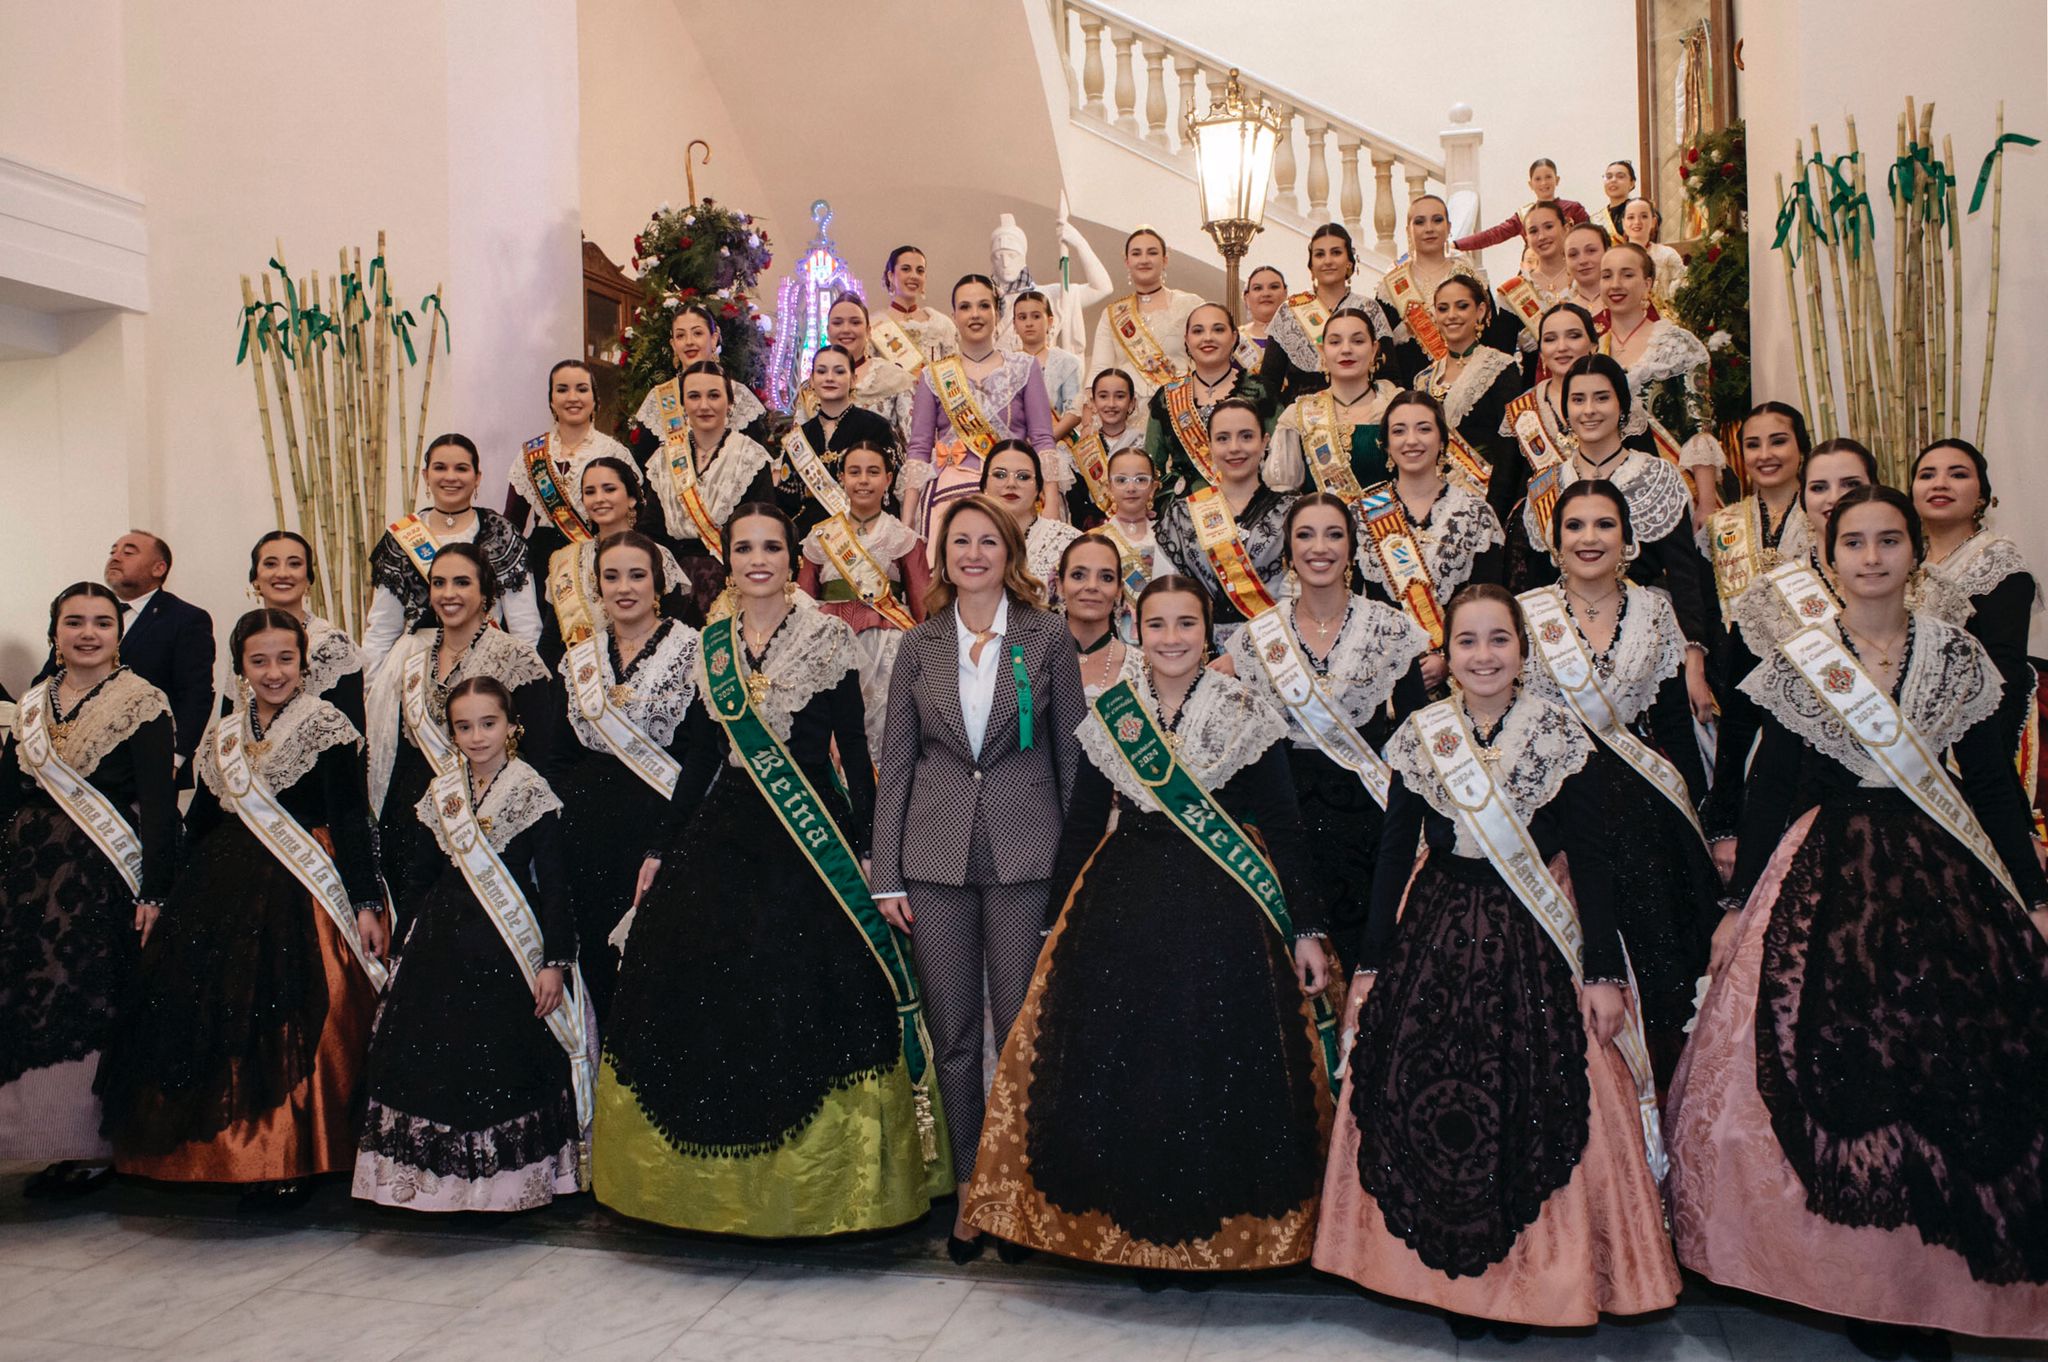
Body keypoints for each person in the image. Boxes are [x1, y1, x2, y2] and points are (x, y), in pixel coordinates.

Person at [1668, 486, 2048, 1351]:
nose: (1871, 557)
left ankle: (1941, 1273)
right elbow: (1771, 791)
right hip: (1827, 875)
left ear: (1915, 554)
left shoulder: (1958, 656)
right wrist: (1736, 906)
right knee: (1837, 1073)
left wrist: (2034, 897)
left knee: (1954, 1077)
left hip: (1943, 876)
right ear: (1827, 556)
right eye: (1854, 543)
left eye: (1888, 541)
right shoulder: (1802, 659)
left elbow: (1990, 787)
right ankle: (1863, 1281)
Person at [1315, 584, 1680, 1339]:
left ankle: (1526, 1280)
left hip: (1535, 938)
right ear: (1447, 655)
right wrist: (1372, 963)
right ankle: (1456, 1282)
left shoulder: (1558, 730)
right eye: (1469, 642)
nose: (1484, 656)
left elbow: (1595, 859)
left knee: (1532, 1102)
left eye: (1499, 640)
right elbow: (1393, 854)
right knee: (1434, 1099)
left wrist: (1603, 972)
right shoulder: (1424, 731)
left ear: (1524, 648)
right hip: (1438, 928)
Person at [962, 574, 1335, 1276]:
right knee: (1124, 1063)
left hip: (1223, 912)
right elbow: (1079, 826)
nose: (1171, 639)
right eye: (1157, 625)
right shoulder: (1114, 715)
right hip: (1122, 906)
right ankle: (1130, 1232)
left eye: (1186, 625)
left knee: (1212, 1060)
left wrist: (1307, 926)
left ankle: (1208, 1234)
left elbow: (1285, 828)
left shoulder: (1246, 711)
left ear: (1209, 632)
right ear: (1138, 631)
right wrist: (1049, 926)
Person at [597, 504, 944, 1236]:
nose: (759, 559)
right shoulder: (711, 645)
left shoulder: (828, 638)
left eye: (772, 548)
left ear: (793, 560)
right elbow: (697, 755)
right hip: (723, 831)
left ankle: (818, 1186)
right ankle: (700, 1188)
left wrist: (874, 853)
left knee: (813, 988)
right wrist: (662, 846)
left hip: (809, 834)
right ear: (728, 560)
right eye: (745, 548)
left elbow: (854, 745)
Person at [98, 609, 388, 1206]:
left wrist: (364, 901)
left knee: (294, 1005)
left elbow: (352, 821)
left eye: (285, 659)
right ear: (241, 668)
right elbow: (202, 817)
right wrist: (167, 889)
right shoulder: (225, 733)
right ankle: (210, 1155)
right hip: (221, 882)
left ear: (304, 663)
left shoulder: (327, 725)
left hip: (300, 883)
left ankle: (291, 1155)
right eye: (259, 661)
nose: (274, 672)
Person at [870, 495, 1086, 1259]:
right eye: (958, 541)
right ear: (941, 556)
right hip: (933, 862)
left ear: (1010, 552)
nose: (972, 553)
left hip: (1030, 857)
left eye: (987, 541)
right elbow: (896, 764)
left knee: (1021, 1031)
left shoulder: (1047, 638)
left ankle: (1017, 1190)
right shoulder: (919, 645)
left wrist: (1073, 876)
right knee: (954, 1035)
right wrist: (886, 874)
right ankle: (970, 1190)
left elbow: (1070, 761)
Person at [354, 676, 591, 1212]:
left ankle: (503, 1186)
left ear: (512, 726)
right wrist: (402, 954)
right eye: (464, 726)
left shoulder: (531, 789)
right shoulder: (442, 793)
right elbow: (418, 878)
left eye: (489, 723)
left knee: (504, 1060)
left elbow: (555, 885)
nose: (478, 736)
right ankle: (436, 1186)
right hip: (437, 946)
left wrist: (555, 962)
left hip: (507, 948)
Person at [1520, 482, 1716, 1082]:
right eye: (1574, 526)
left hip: (1642, 806)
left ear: (1628, 540)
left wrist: (1703, 814)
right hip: (1555, 812)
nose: (1589, 538)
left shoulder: (1656, 608)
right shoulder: (1525, 614)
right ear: (1555, 543)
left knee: (1661, 968)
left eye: (1604, 525)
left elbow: (1672, 721)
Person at [0, 584, 175, 1194]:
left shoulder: (143, 701)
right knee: (30, 997)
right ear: (54, 632)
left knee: (85, 996)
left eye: (102, 622)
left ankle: (91, 1146)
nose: (87, 633)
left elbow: (158, 807)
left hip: (99, 879)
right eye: (74, 622)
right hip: (27, 879)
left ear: (118, 633)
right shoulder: (31, 703)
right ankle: (36, 1140)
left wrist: (155, 890)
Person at [1226, 495, 1430, 967]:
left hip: (1372, 829)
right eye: (1305, 535)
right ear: (1288, 551)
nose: (1320, 547)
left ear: (1352, 548)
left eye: (1334, 534)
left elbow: (1418, 737)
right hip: (1282, 832)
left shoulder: (1389, 629)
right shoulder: (1257, 639)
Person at [547, 531, 698, 1023]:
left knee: (661, 970)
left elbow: (702, 753)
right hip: (586, 839)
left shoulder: (693, 651)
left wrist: (667, 839)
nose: (624, 587)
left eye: (637, 575)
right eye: (611, 576)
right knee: (597, 967)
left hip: (664, 832)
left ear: (658, 583)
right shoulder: (578, 661)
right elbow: (557, 756)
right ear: (597, 587)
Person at [1526, 355, 1717, 722]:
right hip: (1568, 649)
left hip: (1647, 641)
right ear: (1564, 410)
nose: (1589, 410)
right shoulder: (1545, 486)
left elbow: (1685, 575)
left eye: (1602, 397)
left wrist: (1694, 658)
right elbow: (1537, 582)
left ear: (1622, 405)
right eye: (1577, 400)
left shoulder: (1658, 476)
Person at [366, 543, 553, 907]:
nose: (448, 594)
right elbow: (406, 754)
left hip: (489, 823)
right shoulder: (413, 661)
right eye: (439, 583)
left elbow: (541, 756)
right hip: (416, 823)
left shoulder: (516, 658)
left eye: (462, 583)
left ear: (486, 593)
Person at [1350, 391, 1505, 692]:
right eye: (1399, 431)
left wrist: (1449, 658)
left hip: (1464, 676)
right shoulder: (1360, 515)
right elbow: (1351, 605)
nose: (1411, 440)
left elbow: (1490, 603)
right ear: (1386, 444)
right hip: (1381, 678)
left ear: (1443, 440)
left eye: (1424, 428)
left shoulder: (1475, 514)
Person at [363, 434, 540, 676]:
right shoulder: (402, 538)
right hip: (416, 668)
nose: (450, 477)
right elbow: (382, 629)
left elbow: (525, 625)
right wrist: (371, 688)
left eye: (461, 468)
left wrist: (529, 680)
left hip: (487, 663)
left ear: (477, 477)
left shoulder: (501, 534)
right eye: (440, 468)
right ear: (426, 476)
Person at [795, 438, 930, 752]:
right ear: (841, 478)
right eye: (854, 472)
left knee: (882, 731)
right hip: (828, 643)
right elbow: (803, 597)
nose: (863, 480)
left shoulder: (903, 538)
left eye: (873, 472)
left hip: (886, 646)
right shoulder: (821, 537)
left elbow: (923, 603)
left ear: (888, 479)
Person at [904, 276, 1058, 543]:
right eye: (965, 307)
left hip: (1013, 491)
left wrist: (1053, 503)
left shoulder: (1024, 367)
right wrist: (907, 521)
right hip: (951, 495)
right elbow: (918, 448)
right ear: (953, 316)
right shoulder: (934, 375)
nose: (975, 315)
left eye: (983, 306)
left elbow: (1043, 439)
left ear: (997, 312)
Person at [505, 360, 635, 644]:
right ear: (551, 399)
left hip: (598, 560)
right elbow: (512, 522)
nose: (572, 398)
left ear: (594, 398)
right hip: (543, 563)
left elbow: (634, 515)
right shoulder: (531, 454)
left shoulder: (613, 452)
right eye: (562, 389)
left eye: (582, 389)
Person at [641, 360, 777, 623]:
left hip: (733, 585)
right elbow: (651, 530)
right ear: (682, 405)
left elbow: (763, 527)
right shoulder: (664, 458)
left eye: (714, 395)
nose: (704, 405)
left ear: (730, 403)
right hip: (673, 588)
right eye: (694, 396)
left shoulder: (750, 457)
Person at [1600, 243, 1725, 522]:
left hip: (1671, 492)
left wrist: (1705, 505)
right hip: (1609, 496)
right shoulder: (1592, 349)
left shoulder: (1677, 344)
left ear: (1647, 284)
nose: (1615, 284)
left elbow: (1699, 426)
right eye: (1607, 275)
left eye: (1627, 275)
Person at [1156, 399, 1295, 647]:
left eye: (1246, 436)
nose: (1234, 448)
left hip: (1275, 653)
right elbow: (1167, 597)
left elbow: (1301, 596)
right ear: (1208, 446)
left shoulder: (1292, 512)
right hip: (1198, 653)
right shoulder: (1181, 515)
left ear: (1264, 442)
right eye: (1222, 438)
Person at [81, 532, 215, 788]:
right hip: (84, 757)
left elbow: (195, 695)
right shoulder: (87, 616)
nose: (116, 557)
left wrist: (175, 759)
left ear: (159, 568)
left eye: (129, 552)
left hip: (148, 761)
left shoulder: (185, 619)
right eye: (113, 551)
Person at [541, 455, 688, 665]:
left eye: (609, 489)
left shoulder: (658, 556)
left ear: (631, 498)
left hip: (647, 672)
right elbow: (551, 641)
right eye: (590, 492)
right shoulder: (567, 561)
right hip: (583, 683)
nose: (599, 498)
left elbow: (673, 625)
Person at [1498, 302, 1600, 588]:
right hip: (1537, 548)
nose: (1562, 347)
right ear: (1540, 350)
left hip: (1604, 537)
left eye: (1574, 336)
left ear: (1593, 344)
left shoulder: (1614, 401)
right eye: (1550, 339)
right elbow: (1503, 490)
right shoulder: (1521, 410)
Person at [1411, 277, 1525, 518]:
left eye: (1462, 306)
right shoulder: (1423, 378)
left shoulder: (1500, 367)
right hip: (1429, 499)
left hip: (1481, 498)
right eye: (1443, 308)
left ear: (1480, 311)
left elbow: (1509, 449)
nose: (1451, 315)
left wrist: (1494, 511)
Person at [1376, 196, 1518, 384]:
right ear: (1408, 230)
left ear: (1449, 227)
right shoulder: (1391, 286)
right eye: (1419, 222)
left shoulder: (1470, 276)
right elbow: (1384, 353)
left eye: (1437, 220)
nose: (1429, 229)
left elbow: (1493, 340)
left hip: (1471, 389)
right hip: (1412, 395)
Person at [1145, 302, 1274, 504]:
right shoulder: (1167, 397)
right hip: (1183, 511)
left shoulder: (1260, 390)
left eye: (1218, 329)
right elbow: (1151, 467)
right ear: (1186, 341)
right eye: (1198, 331)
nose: (1208, 337)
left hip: (1251, 507)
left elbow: (1279, 457)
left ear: (1233, 337)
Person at [1266, 307, 1401, 498]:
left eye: (1358, 341)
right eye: (1335, 342)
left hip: (1388, 525)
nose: (1346, 349)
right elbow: (1283, 495)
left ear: (1374, 350)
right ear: (1322, 352)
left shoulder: (1395, 407)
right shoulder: (1298, 414)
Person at [1257, 224, 1386, 408]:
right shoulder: (1289, 312)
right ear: (1311, 267)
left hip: (1362, 414)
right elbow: (1269, 383)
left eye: (1336, 253)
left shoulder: (1369, 309)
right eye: (1319, 255)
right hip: (1302, 421)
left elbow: (1389, 376)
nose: (1327, 261)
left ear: (1349, 261)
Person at [247, 530, 364, 728]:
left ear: (309, 578)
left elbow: (351, 734)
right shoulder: (246, 637)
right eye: (270, 564)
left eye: (294, 564)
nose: (283, 573)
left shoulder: (331, 645)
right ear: (255, 578)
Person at [778, 343, 897, 533]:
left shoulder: (876, 428)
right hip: (809, 539)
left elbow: (891, 490)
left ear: (853, 380)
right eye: (822, 372)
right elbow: (787, 503)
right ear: (812, 381)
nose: (829, 378)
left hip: (866, 536)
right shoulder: (799, 438)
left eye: (839, 372)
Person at [630, 300, 772, 453]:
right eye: (680, 336)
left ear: (713, 339)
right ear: (673, 345)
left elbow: (756, 462)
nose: (689, 342)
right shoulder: (659, 399)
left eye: (697, 333)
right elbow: (644, 464)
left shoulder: (740, 397)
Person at [1087, 228, 1203, 405]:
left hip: (1180, 412)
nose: (1144, 260)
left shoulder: (1190, 305)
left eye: (1152, 252)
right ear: (1127, 262)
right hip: (1128, 416)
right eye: (1136, 253)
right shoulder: (1113, 314)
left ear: (1165, 260)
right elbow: (1100, 370)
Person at [820, 293, 917, 446]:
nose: (846, 329)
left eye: (855, 322)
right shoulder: (811, 386)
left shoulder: (896, 379)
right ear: (828, 330)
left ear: (868, 331)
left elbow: (914, 443)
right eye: (837, 323)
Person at [1453, 157, 1591, 255]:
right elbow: (1494, 234)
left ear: (1557, 180)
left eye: (1548, 177)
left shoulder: (1574, 209)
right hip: (1533, 272)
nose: (1543, 183)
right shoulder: (1525, 215)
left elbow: (1591, 237)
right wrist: (1457, 245)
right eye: (1538, 179)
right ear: (1531, 184)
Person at [1064, 367, 1143, 525]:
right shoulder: (1084, 448)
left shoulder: (1143, 442)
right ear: (1093, 403)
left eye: (1120, 396)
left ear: (1132, 403)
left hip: (1135, 523)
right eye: (1103, 396)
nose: (1111, 404)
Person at [1058, 535, 1133, 695]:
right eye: (1078, 575)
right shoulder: (1032, 659)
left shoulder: (1140, 668)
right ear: (1060, 586)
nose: (1092, 586)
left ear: (1119, 590)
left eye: (1106, 577)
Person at [1012, 290, 1084, 441]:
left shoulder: (1068, 362)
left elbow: (1074, 412)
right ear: (1014, 324)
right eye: (1022, 317)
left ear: (1050, 321)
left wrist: (1044, 441)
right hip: (1016, 445)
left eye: (1036, 316)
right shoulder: (1006, 363)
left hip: (1058, 443)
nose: (1029, 323)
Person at [875, 244, 960, 366]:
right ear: (891, 276)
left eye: (920, 271)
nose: (914, 276)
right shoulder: (876, 326)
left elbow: (953, 375)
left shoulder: (941, 324)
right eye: (906, 269)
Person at [1622, 198, 1687, 309]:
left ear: (1653, 222)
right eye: (1631, 217)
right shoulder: (1613, 258)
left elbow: (1682, 291)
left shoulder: (1667, 255)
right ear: (1623, 223)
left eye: (1644, 216)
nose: (1637, 222)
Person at [1561, 221, 1612, 319]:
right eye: (1573, 255)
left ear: (1608, 252)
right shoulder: (1563, 315)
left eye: (1591, 251)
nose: (1583, 261)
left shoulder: (1631, 300)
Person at [1239, 264, 1287, 364]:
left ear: (1285, 294)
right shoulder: (1235, 340)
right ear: (1246, 297)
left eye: (1274, 287)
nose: (1266, 294)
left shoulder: (1301, 335)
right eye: (1257, 288)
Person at [1598, 159, 1638, 238]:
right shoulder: (1597, 219)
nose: (1613, 180)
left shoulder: (1640, 211)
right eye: (1608, 177)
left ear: (1632, 183)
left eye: (1620, 176)